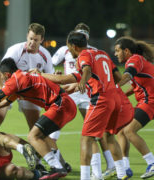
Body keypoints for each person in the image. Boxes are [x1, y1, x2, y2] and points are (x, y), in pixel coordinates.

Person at [38, 31, 128, 179]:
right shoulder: (102, 54)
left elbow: (86, 70)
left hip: (100, 99)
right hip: (114, 98)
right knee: (108, 136)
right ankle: (121, 173)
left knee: (86, 138)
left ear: (73, 46)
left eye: (69, 47)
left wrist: (82, 82)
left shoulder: (84, 56)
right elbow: (117, 77)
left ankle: (86, 177)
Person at [0, 58, 77, 179]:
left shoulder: (15, 80)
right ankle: (62, 165)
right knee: (42, 135)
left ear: (7, 74)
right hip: (65, 105)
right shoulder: (20, 79)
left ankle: (56, 167)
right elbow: (2, 103)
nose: (2, 79)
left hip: (60, 105)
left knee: (33, 136)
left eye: (2, 76)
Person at [52, 23, 117, 179]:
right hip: (74, 93)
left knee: (93, 134)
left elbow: (87, 71)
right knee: (88, 133)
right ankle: (57, 165)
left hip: (87, 92)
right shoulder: (67, 50)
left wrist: (80, 82)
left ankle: (104, 168)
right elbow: (53, 63)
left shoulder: (89, 52)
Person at [0, 23, 54, 130]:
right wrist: (0, 89)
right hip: (10, 86)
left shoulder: (45, 55)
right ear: (27, 36)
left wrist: (43, 76)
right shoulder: (15, 50)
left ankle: (32, 146)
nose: (32, 42)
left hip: (30, 90)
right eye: (31, 38)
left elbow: (50, 77)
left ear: (41, 40)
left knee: (35, 128)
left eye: (36, 40)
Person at [115, 36, 154, 179]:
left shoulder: (134, 60)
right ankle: (125, 167)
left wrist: (114, 86)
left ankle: (151, 163)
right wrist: (120, 94)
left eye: (117, 50)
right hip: (147, 100)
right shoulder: (137, 60)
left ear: (126, 51)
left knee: (129, 130)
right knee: (121, 130)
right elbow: (136, 85)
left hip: (150, 101)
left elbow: (128, 75)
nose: (115, 54)